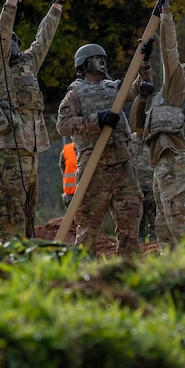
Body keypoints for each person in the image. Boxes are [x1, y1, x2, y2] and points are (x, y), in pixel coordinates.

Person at [0, 0, 67, 242]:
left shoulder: (28, 64)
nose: (13, 44)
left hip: (31, 153)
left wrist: (58, 1)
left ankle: (26, 262)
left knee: (29, 214)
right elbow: (3, 35)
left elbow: (44, 37)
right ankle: (7, 262)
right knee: (9, 214)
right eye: (8, 42)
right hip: (9, 153)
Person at [130, 0, 185, 248]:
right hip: (162, 164)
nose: (178, 70)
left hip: (173, 162)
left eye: (183, 70)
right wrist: (142, 95)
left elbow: (170, 52)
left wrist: (166, 13)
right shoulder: (169, 98)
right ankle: (172, 272)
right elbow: (138, 127)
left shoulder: (180, 90)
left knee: (179, 222)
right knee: (163, 226)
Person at [55, 43, 143, 258]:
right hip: (95, 170)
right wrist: (96, 120)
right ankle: (86, 275)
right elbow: (63, 125)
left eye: (104, 58)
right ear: (84, 64)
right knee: (88, 229)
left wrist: (145, 62)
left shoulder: (115, 88)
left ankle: (128, 271)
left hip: (123, 166)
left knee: (130, 224)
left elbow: (137, 87)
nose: (102, 62)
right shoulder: (75, 94)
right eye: (97, 58)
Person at [131, 132, 157, 243]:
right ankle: (140, 241)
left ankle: (154, 241)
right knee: (138, 216)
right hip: (136, 186)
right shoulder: (131, 139)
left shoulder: (153, 139)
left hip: (152, 185)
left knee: (154, 216)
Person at [59, 141, 77, 207]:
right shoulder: (67, 150)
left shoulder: (93, 148)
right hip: (71, 195)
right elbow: (62, 166)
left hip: (89, 194)